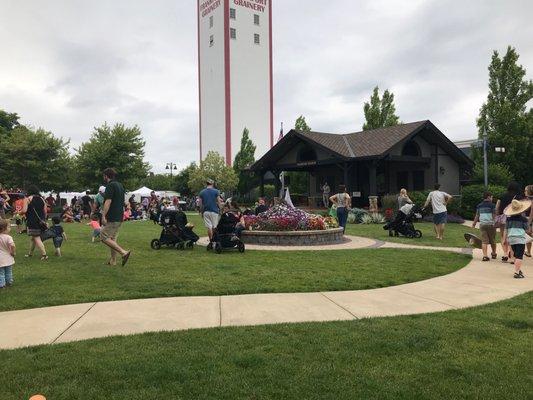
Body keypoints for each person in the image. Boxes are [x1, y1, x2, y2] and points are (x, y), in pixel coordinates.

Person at [100, 168, 131, 266]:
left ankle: (123, 252)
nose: (103, 177)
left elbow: (108, 201)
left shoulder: (110, 185)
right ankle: (113, 261)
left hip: (112, 217)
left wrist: (103, 215)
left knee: (103, 237)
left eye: (103, 175)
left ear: (106, 176)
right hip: (119, 217)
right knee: (112, 239)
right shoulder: (120, 185)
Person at [503, 199, 531, 278]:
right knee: (519, 256)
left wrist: (504, 239)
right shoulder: (523, 219)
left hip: (511, 239)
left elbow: (506, 229)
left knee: (515, 255)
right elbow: (527, 229)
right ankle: (517, 272)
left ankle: (518, 269)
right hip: (520, 239)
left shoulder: (508, 219)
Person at [495, 181, 522, 262]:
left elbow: (497, 206)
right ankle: (512, 255)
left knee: (503, 236)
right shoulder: (518, 197)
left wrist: (498, 215)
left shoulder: (502, 196)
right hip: (514, 219)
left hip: (503, 218)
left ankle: (505, 254)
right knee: (512, 236)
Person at [22, 185, 48, 260]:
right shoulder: (42, 199)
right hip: (41, 221)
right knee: (33, 238)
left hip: (32, 221)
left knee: (36, 237)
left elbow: (24, 210)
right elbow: (45, 211)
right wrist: (43, 219)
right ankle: (30, 254)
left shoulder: (27, 199)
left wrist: (18, 212)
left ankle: (44, 255)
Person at [472, 192, 497, 261]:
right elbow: (494, 215)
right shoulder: (492, 205)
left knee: (484, 241)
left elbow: (477, 215)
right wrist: (496, 223)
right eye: (491, 197)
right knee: (492, 240)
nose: (492, 198)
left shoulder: (479, 205)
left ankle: (485, 256)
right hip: (491, 225)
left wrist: (474, 224)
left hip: (482, 225)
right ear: (488, 197)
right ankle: (494, 253)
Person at [198, 179, 223, 245]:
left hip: (206, 211)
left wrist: (201, 211)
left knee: (209, 227)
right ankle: (215, 240)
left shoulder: (202, 192)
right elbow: (219, 201)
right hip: (214, 211)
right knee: (214, 226)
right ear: (212, 184)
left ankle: (211, 241)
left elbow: (200, 204)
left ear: (207, 184)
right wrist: (221, 209)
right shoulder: (216, 191)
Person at [0, 218, 16, 289]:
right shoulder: (8, 237)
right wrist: (13, 252)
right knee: (9, 271)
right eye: (9, 227)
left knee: (1, 273)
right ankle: (9, 282)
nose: (10, 228)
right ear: (4, 228)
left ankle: (2, 284)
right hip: (8, 257)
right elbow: (12, 245)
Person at [524, 185, 533, 258]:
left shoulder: (528, 200)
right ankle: (528, 252)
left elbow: (532, 212)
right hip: (528, 219)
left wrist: (529, 222)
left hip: (529, 219)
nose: (524, 192)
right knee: (529, 236)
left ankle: (529, 252)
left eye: (526, 190)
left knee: (529, 234)